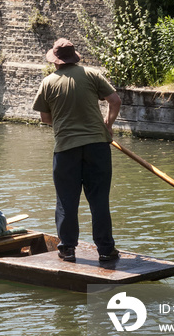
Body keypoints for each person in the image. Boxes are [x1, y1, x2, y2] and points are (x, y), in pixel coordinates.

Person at [31, 38, 122, 263]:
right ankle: (106, 250)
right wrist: (107, 126)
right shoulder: (92, 74)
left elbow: (45, 118)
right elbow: (115, 101)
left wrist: (64, 123)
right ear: (74, 57)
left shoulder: (48, 82)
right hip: (98, 146)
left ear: (55, 61)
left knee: (66, 201)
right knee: (99, 200)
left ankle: (68, 249)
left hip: (66, 149)